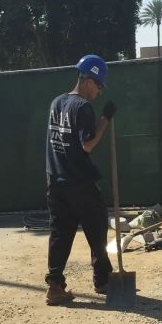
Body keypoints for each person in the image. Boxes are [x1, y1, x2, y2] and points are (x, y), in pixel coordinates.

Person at [44, 54, 118, 306]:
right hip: (80, 182)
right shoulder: (83, 107)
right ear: (88, 80)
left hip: (55, 180)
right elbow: (87, 144)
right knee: (96, 228)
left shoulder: (57, 102)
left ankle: (54, 286)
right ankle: (104, 280)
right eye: (99, 85)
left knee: (60, 233)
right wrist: (105, 120)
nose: (99, 91)